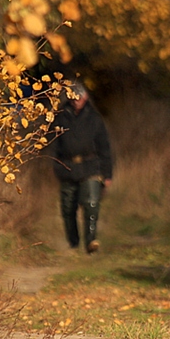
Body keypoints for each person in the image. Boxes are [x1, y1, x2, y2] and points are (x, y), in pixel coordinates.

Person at [48, 81, 113, 254]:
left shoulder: (95, 119)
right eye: (73, 97)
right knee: (68, 209)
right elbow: (52, 145)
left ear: (85, 97)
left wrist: (107, 175)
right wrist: (56, 166)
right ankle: (73, 241)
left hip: (91, 167)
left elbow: (104, 148)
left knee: (91, 203)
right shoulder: (60, 117)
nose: (76, 100)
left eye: (79, 97)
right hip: (67, 167)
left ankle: (91, 241)